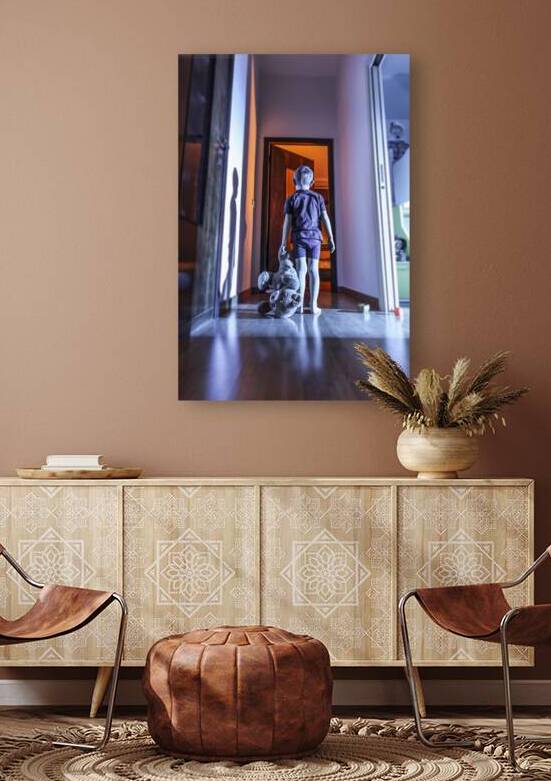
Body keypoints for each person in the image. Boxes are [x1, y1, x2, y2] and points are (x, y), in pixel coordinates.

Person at [280, 165, 335, 314]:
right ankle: (313, 305)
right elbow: (325, 218)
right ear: (312, 183)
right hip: (315, 239)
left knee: (301, 270)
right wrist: (330, 237)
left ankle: (299, 305)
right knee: (313, 270)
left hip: (299, 238)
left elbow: (287, 222)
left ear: (293, 180)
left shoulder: (291, 199)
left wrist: (284, 242)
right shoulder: (318, 197)